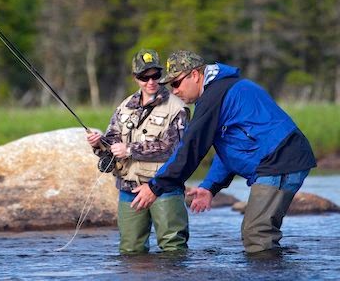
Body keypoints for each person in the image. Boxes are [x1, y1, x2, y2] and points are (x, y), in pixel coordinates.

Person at [131, 50, 316, 254]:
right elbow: (230, 149)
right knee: (258, 234)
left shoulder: (215, 95)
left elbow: (191, 148)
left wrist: (156, 186)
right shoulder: (219, 90)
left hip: (281, 160)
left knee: (257, 233)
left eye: (176, 83)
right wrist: (210, 186)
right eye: (170, 85)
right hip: (277, 161)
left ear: (195, 75)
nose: (174, 91)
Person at [86, 49, 190, 254]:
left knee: (173, 247)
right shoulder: (125, 106)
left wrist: (131, 149)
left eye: (155, 76)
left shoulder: (177, 107)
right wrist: (99, 143)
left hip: (163, 187)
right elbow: (113, 141)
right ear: (136, 78)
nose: (151, 82)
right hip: (128, 189)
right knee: (130, 250)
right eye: (145, 77)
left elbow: (175, 149)